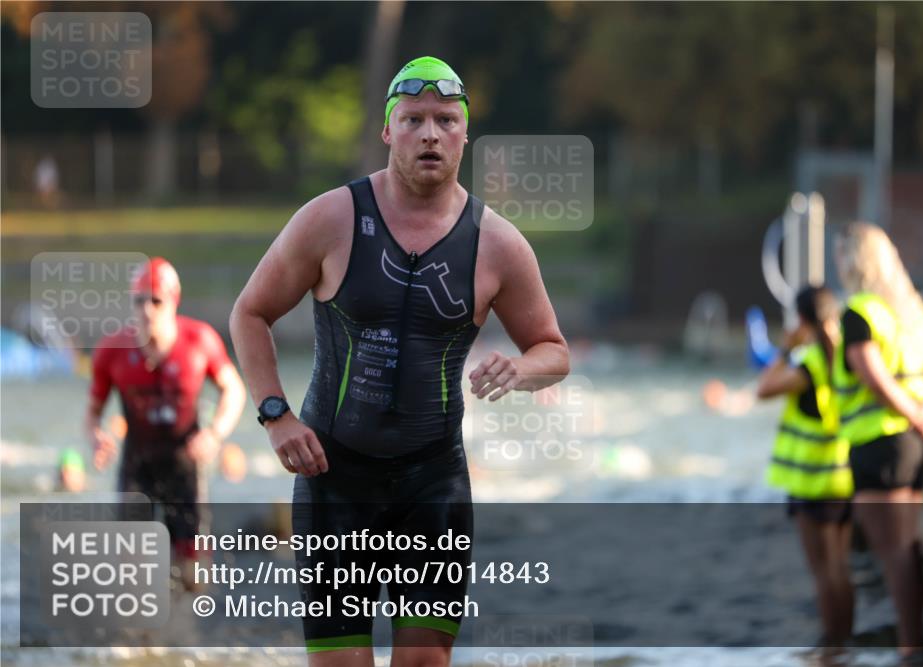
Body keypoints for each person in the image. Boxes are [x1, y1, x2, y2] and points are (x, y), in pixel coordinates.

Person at [229, 56, 569, 667]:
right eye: (413, 119)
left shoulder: (498, 243)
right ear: (388, 131)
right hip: (335, 479)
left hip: (433, 483)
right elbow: (249, 314)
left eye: (446, 119)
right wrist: (275, 415)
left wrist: (522, 370)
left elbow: (554, 350)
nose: (430, 134)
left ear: (465, 134)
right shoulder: (329, 219)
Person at [86, 257, 246, 587]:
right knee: (133, 572)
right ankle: (141, 636)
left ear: (173, 301)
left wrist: (214, 434)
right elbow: (92, 413)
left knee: (194, 577)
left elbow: (234, 389)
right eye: (139, 300)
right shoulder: (112, 349)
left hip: (185, 468)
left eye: (155, 300)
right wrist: (97, 437)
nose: (146, 310)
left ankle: (181, 632)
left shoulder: (199, 340)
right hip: (137, 468)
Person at [833, 222, 923, 663]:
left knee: (893, 551)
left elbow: (874, 378)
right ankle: (915, 638)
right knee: (906, 542)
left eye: (840, 253)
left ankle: (910, 647)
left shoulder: (858, 313)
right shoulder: (910, 311)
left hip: (879, 446)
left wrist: (917, 417)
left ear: (853, 260)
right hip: (915, 445)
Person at [758, 286, 854, 650]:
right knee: (841, 568)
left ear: (800, 320)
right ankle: (847, 644)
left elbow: (763, 388)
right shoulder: (846, 354)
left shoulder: (810, 362)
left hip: (812, 481)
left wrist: (785, 347)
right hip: (844, 475)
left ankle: (833, 645)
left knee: (824, 573)